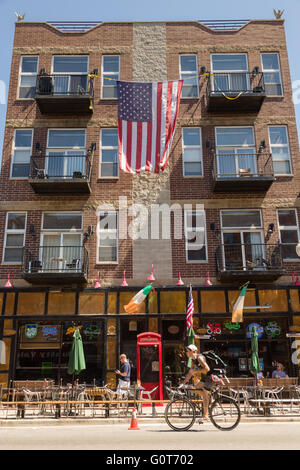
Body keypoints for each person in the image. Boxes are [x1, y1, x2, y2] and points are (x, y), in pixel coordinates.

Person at [178, 344, 211, 420]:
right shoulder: (193, 360)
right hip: (205, 378)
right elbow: (190, 373)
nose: (186, 352)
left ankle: (206, 415)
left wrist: (196, 371)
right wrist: (183, 383)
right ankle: (210, 400)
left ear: (192, 351)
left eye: (187, 351)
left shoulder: (199, 358)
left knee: (205, 393)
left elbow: (207, 369)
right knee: (193, 388)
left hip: (211, 377)